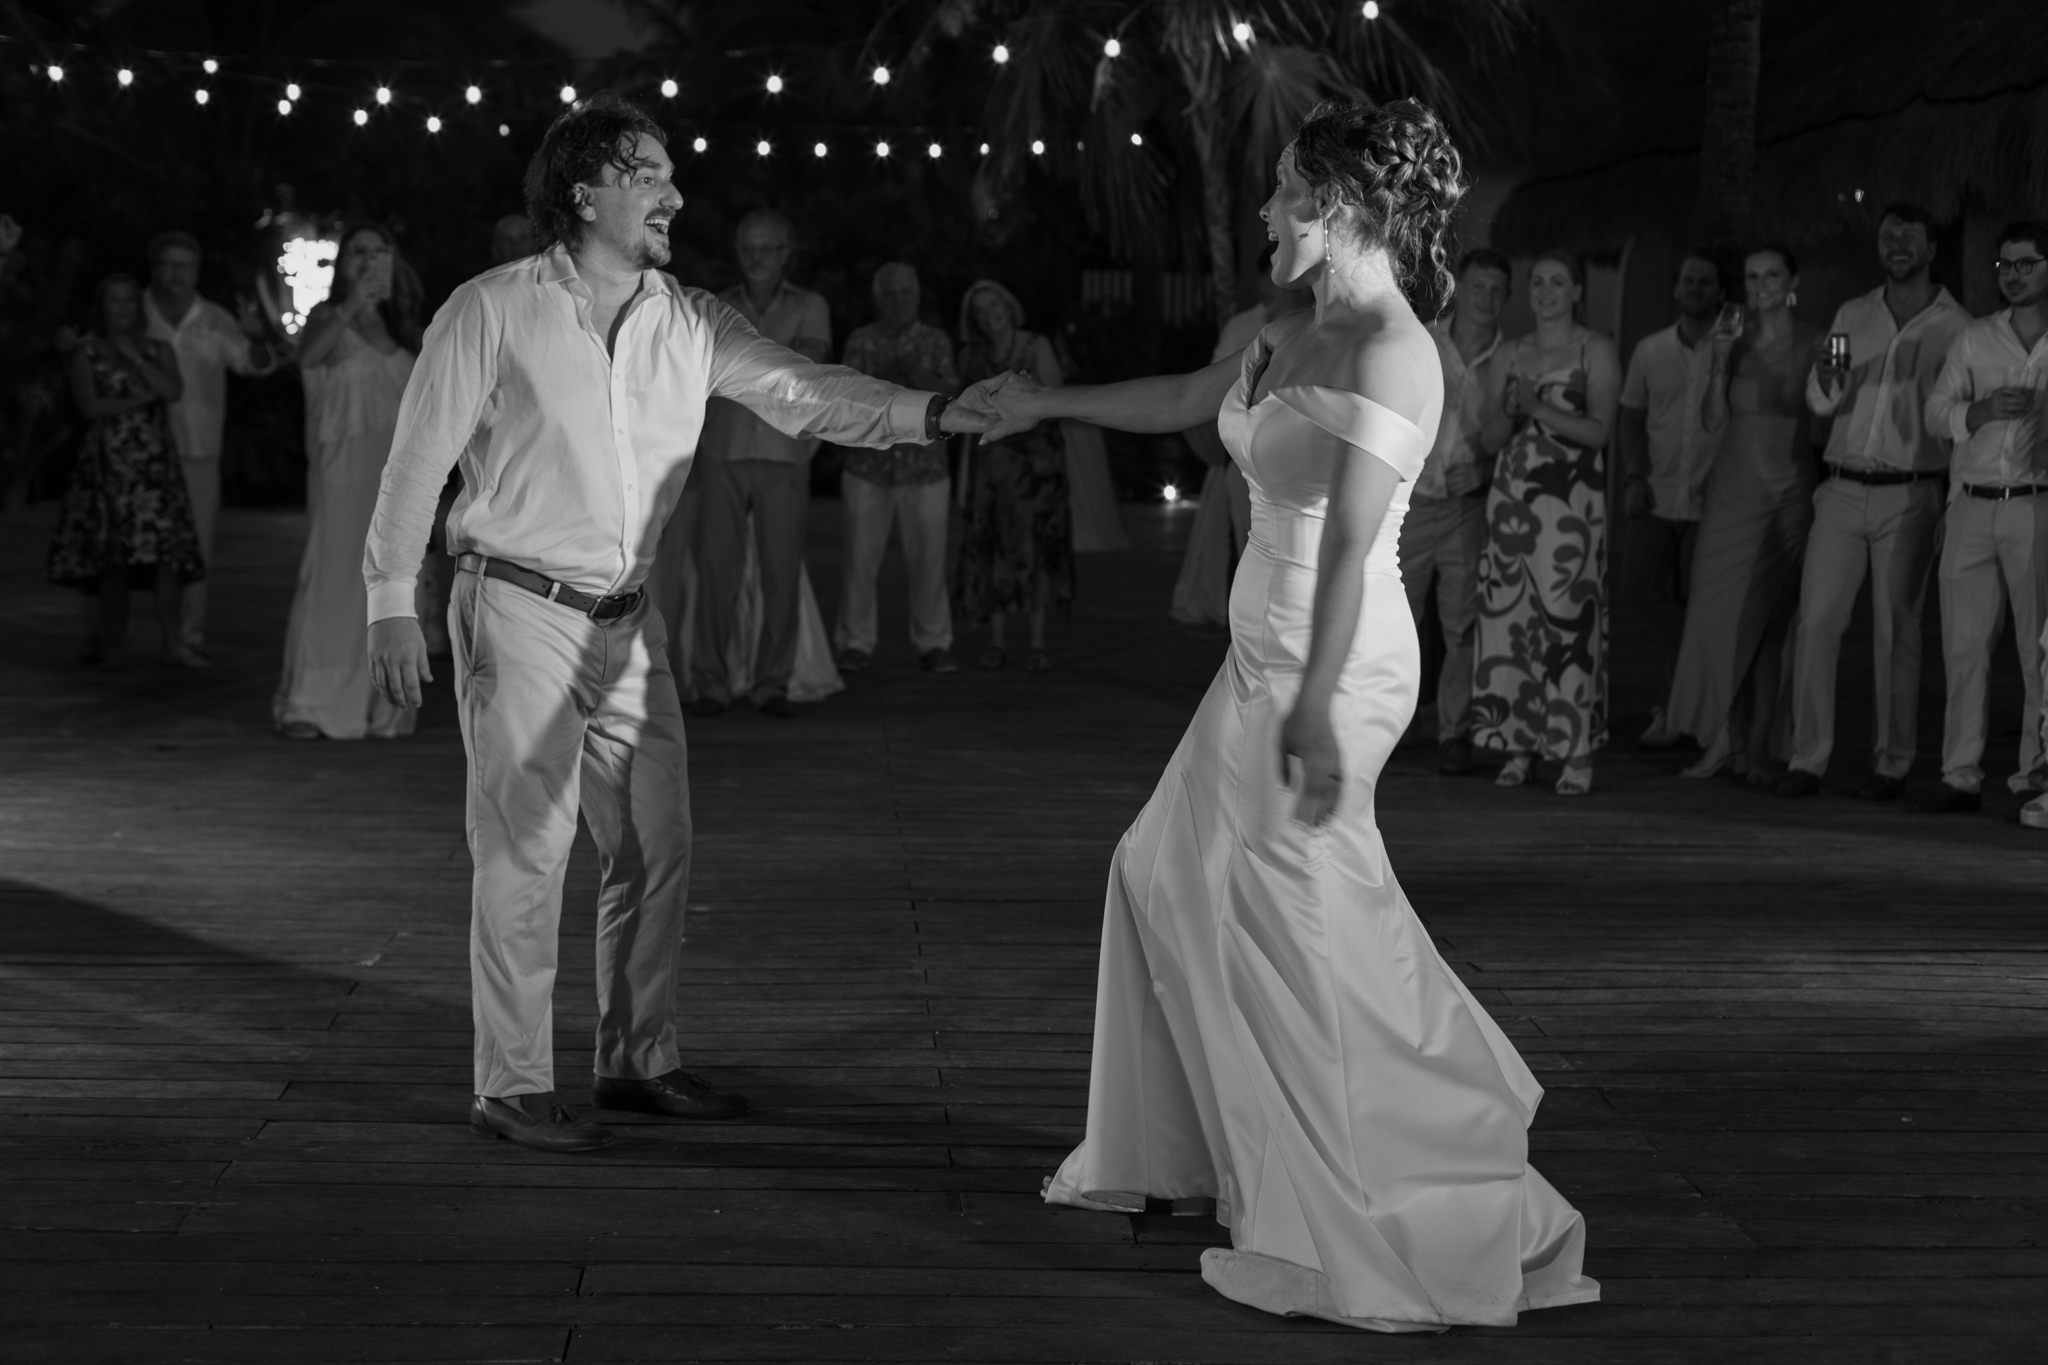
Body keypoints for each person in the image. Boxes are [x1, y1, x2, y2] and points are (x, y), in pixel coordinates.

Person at [981, 98, 1596, 1331]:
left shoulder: (1394, 351)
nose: (1263, 211)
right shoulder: (1286, 324)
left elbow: (1355, 547)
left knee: (1304, 922)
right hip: (1256, 661)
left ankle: (1391, 1195)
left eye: (1280, 192)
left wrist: (1313, 708)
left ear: (1343, 207)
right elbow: (1182, 397)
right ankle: (1212, 1152)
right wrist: (1043, 404)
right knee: (1160, 869)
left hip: (1334, 664)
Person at [362, 96, 996, 1155]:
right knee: (525, 848)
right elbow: (415, 462)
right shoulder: (491, 308)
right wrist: (390, 600)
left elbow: (804, 392)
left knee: (656, 842)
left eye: (669, 173)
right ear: (583, 194)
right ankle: (509, 1084)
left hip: (629, 623)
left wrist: (933, 411)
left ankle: (635, 1058)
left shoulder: (690, 320)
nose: (674, 193)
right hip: (517, 609)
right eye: (647, 174)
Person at [1775, 204, 1970, 800]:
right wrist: (1825, 379)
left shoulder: (1959, 328)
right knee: (1816, 622)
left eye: (1910, 236)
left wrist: (1954, 503)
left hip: (1912, 493)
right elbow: (1821, 401)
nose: (1898, 245)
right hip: (1840, 488)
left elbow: (1961, 423)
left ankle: (1893, 764)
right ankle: (1808, 757)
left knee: (1897, 631)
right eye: (1889, 236)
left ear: (1932, 248)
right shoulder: (1852, 314)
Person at [1663, 247, 1822, 782]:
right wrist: (1720, 362)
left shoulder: (1817, 340)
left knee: (1770, 628)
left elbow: (1823, 419)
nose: (1761, 284)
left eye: (1772, 274)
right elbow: (1712, 420)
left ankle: (1757, 750)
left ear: (1792, 281)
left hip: (1787, 495)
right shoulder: (1731, 336)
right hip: (1731, 494)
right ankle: (1720, 738)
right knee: (1715, 621)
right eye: (1753, 276)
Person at [1469, 250, 1622, 796]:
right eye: (1538, 282)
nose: (1547, 291)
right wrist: (1513, 411)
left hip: (1571, 509)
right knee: (1512, 624)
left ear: (1577, 291)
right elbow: (1489, 439)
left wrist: (1538, 407)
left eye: (1559, 282)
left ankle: (1574, 751)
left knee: (1566, 622)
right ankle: (1518, 745)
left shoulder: (1595, 349)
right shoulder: (1508, 353)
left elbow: (1599, 432)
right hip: (1512, 504)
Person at [1917, 221, 2048, 813]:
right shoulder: (1976, 338)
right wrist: (1981, 410)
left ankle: (2033, 773)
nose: (2013, 275)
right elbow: (1935, 412)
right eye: (2005, 265)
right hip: (1971, 502)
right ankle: (1959, 773)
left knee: (2036, 650)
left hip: (2035, 504)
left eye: (2026, 263)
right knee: (1964, 648)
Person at [273, 223, 422, 741]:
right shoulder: (326, 316)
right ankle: (312, 702)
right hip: (342, 468)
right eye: (359, 251)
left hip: (398, 473)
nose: (369, 259)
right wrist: (352, 303)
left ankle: (383, 705)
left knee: (390, 581)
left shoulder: (403, 324)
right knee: (334, 575)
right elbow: (308, 357)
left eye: (379, 250)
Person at [687, 209, 836, 718]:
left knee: (781, 568)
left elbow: (806, 371)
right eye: (748, 248)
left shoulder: (811, 305)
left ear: (785, 253)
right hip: (722, 446)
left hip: (785, 450)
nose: (756, 258)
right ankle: (711, 680)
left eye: (766, 248)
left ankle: (773, 682)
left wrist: (738, 363)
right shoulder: (714, 305)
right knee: (715, 569)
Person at [46, 274, 205, 667]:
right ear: (102, 308)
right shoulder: (87, 353)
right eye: (113, 301)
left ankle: (172, 642)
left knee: (167, 554)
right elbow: (90, 407)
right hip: (110, 462)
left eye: (129, 300)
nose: (122, 308)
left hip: (154, 465)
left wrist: (135, 360)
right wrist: (140, 400)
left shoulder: (157, 349)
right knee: (113, 555)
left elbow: (172, 390)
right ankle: (115, 643)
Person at [142, 229, 279, 661]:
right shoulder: (135, 313)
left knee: (196, 548)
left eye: (185, 266)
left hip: (198, 451)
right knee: (131, 546)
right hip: (139, 453)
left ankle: (187, 636)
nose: (176, 274)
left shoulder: (215, 318)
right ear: (154, 268)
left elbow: (253, 365)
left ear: (197, 270)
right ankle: (116, 634)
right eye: (168, 265)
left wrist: (258, 337)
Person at [1400, 246, 1507, 775]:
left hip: (1469, 506)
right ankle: (1389, 725)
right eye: (1478, 286)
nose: (1486, 298)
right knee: (1398, 618)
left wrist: (1485, 469)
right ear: (1460, 288)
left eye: (1497, 290)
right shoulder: (1421, 342)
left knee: (1462, 624)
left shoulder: (1512, 358)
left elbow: (1518, 430)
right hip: (1412, 503)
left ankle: (1454, 732)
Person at [1620, 252, 1726, 745]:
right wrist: (1634, 476)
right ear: (1676, 289)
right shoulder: (1651, 350)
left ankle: (1678, 710)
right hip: (1657, 496)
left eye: (1705, 282)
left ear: (1720, 291)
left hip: (1713, 502)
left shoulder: (1733, 349)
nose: (1695, 288)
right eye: (1688, 281)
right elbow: (1631, 419)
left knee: (1700, 603)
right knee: (1639, 591)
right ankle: (1687, 691)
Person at [836, 262, 961, 673]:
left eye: (905, 292)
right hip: (867, 465)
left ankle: (933, 642)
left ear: (917, 295)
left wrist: (919, 377)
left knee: (929, 562)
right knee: (859, 561)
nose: (898, 300)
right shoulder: (861, 340)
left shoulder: (935, 340)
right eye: (889, 293)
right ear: (877, 298)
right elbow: (842, 395)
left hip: (924, 468)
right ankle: (855, 641)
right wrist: (883, 381)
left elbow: (955, 396)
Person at [1172, 260, 1312, 628]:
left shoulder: (1319, 328)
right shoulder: (1249, 328)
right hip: (1245, 459)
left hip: (1299, 471)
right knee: (1249, 545)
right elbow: (1193, 395)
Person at [955, 279, 1074, 670]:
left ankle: (1037, 643)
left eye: (994, 306)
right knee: (993, 544)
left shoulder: (1035, 345)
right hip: (991, 465)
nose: (989, 316)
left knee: (1034, 545)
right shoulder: (972, 354)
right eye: (980, 312)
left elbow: (1056, 398)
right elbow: (960, 407)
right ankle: (997, 641)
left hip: (1035, 466)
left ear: (1008, 307)